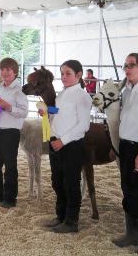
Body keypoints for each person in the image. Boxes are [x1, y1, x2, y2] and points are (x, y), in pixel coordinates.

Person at [44, 60, 91, 233]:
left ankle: (72, 221)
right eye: (62, 73)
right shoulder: (62, 94)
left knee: (71, 182)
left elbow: (83, 125)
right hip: (55, 142)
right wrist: (48, 111)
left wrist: (63, 140)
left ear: (78, 75)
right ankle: (61, 216)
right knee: (57, 181)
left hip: (71, 145)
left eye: (68, 73)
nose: (63, 77)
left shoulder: (82, 96)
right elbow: (60, 111)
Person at [112, 53, 138, 254]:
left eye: (131, 65)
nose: (126, 68)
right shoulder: (126, 90)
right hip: (125, 145)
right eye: (125, 65)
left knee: (133, 192)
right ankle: (132, 234)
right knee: (126, 190)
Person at [0, 57, 28, 208]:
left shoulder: (18, 91)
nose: (4, 72)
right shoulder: (0, 87)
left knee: (10, 166)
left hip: (11, 132)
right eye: (2, 69)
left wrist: (8, 107)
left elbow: (23, 112)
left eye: (8, 70)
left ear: (15, 72)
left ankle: (10, 199)